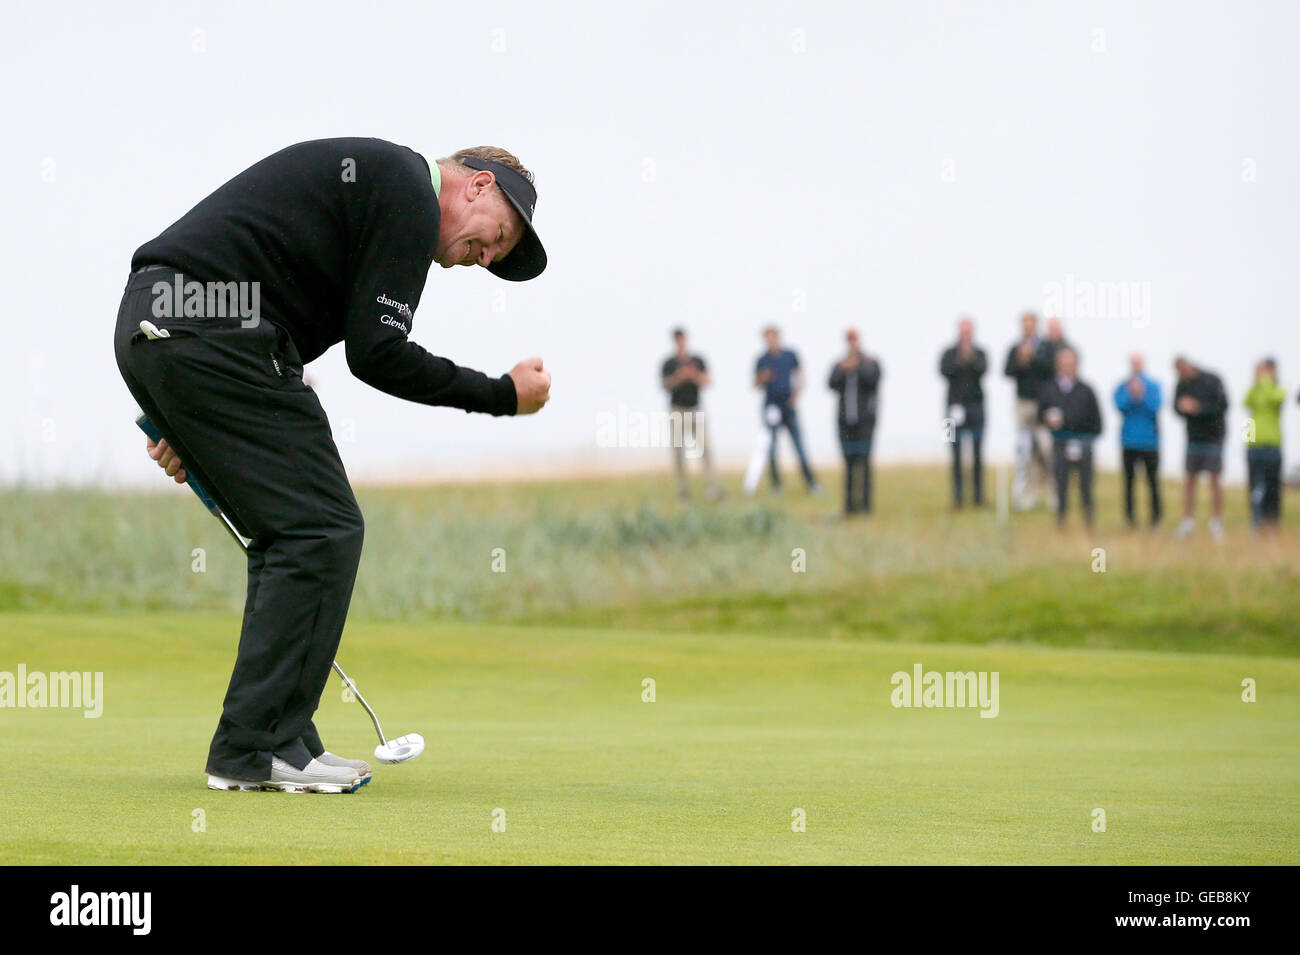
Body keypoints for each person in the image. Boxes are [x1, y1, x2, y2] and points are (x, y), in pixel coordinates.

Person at [115, 139, 553, 793]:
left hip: (180, 327)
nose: (486, 258)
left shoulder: (381, 191)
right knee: (321, 526)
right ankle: (254, 745)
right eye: (498, 239)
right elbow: (377, 352)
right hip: (200, 328)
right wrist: (500, 395)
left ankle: (281, 736)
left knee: (298, 528)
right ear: (479, 186)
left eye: (496, 257)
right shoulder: (410, 187)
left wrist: (195, 417)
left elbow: (283, 313)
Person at [1038, 347, 1102, 527]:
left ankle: (1088, 522)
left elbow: (1097, 422)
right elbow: (1040, 414)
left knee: (1085, 486)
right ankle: (1060, 521)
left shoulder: (1086, 390)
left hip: (1083, 444)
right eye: (1064, 363)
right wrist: (1048, 419)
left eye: (1071, 363)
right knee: (1060, 485)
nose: (1067, 366)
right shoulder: (1049, 388)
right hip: (1059, 443)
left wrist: (1084, 436)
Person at [755, 326, 821, 495]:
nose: (771, 340)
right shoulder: (762, 360)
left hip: (789, 408)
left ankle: (811, 483)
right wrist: (764, 377)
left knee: (799, 447)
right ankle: (776, 486)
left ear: (778, 337)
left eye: (773, 337)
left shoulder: (790, 355)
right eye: (767, 338)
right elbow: (755, 383)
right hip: (771, 408)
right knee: (771, 449)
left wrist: (796, 395)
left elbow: (800, 375)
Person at [661, 328, 723, 502]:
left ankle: (713, 488)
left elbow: (707, 380)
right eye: (677, 340)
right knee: (679, 452)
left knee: (705, 449)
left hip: (696, 408)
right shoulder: (669, 364)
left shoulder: (697, 360)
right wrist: (679, 377)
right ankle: (683, 491)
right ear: (674, 341)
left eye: (682, 339)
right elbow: (664, 385)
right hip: (677, 410)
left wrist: (693, 375)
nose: (680, 342)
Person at [1173, 357, 1229, 540]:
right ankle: (1188, 522)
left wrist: (1198, 408)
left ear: (1189, 366)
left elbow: (1223, 405)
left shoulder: (1213, 379)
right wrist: (1183, 408)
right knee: (1190, 480)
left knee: (1214, 480)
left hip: (1214, 438)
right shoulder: (1181, 383)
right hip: (1193, 439)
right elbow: (1175, 407)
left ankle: (1216, 522)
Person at [828, 328, 882, 515]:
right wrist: (844, 369)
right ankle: (849, 506)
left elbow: (874, 380)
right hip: (845, 422)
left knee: (865, 463)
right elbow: (830, 383)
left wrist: (858, 366)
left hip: (865, 422)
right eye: (849, 340)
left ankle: (866, 506)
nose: (852, 343)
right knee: (848, 464)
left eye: (854, 339)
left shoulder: (870, 362)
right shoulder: (840, 363)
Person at [1003, 312, 1053, 509]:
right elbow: (1007, 371)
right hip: (1022, 404)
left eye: (1030, 324)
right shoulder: (1016, 348)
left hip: (1043, 405)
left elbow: (1050, 370)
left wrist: (1033, 358)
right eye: (1024, 325)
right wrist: (1020, 359)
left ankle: (1053, 494)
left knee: (1047, 449)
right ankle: (1028, 495)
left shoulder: (1046, 347)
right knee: (1025, 452)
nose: (1027, 328)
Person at [939, 317, 987, 508]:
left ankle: (978, 497)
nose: (966, 335)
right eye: (963, 331)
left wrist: (971, 358)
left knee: (978, 453)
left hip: (977, 408)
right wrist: (960, 359)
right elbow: (943, 371)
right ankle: (957, 498)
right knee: (953, 453)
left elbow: (983, 370)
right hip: (951, 410)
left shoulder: (980, 352)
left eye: (968, 332)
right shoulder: (949, 353)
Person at [1113, 353, 1163, 528]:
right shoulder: (1122, 386)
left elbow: (1155, 407)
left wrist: (1141, 394)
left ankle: (1155, 519)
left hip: (1150, 442)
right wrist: (1131, 394)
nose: (1136, 366)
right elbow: (1119, 406)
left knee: (1152, 482)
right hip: (1128, 442)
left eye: (1138, 363)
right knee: (1128, 483)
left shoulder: (1153, 386)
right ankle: (1129, 519)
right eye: (1133, 363)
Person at [1243, 358, 1285, 530]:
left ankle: (1272, 521)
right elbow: (1245, 402)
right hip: (1253, 444)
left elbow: (1275, 399)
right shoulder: (1256, 389)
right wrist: (1256, 380)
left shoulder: (1279, 389)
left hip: (1272, 445)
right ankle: (1256, 520)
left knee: (1273, 486)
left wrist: (1265, 380)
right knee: (1254, 486)